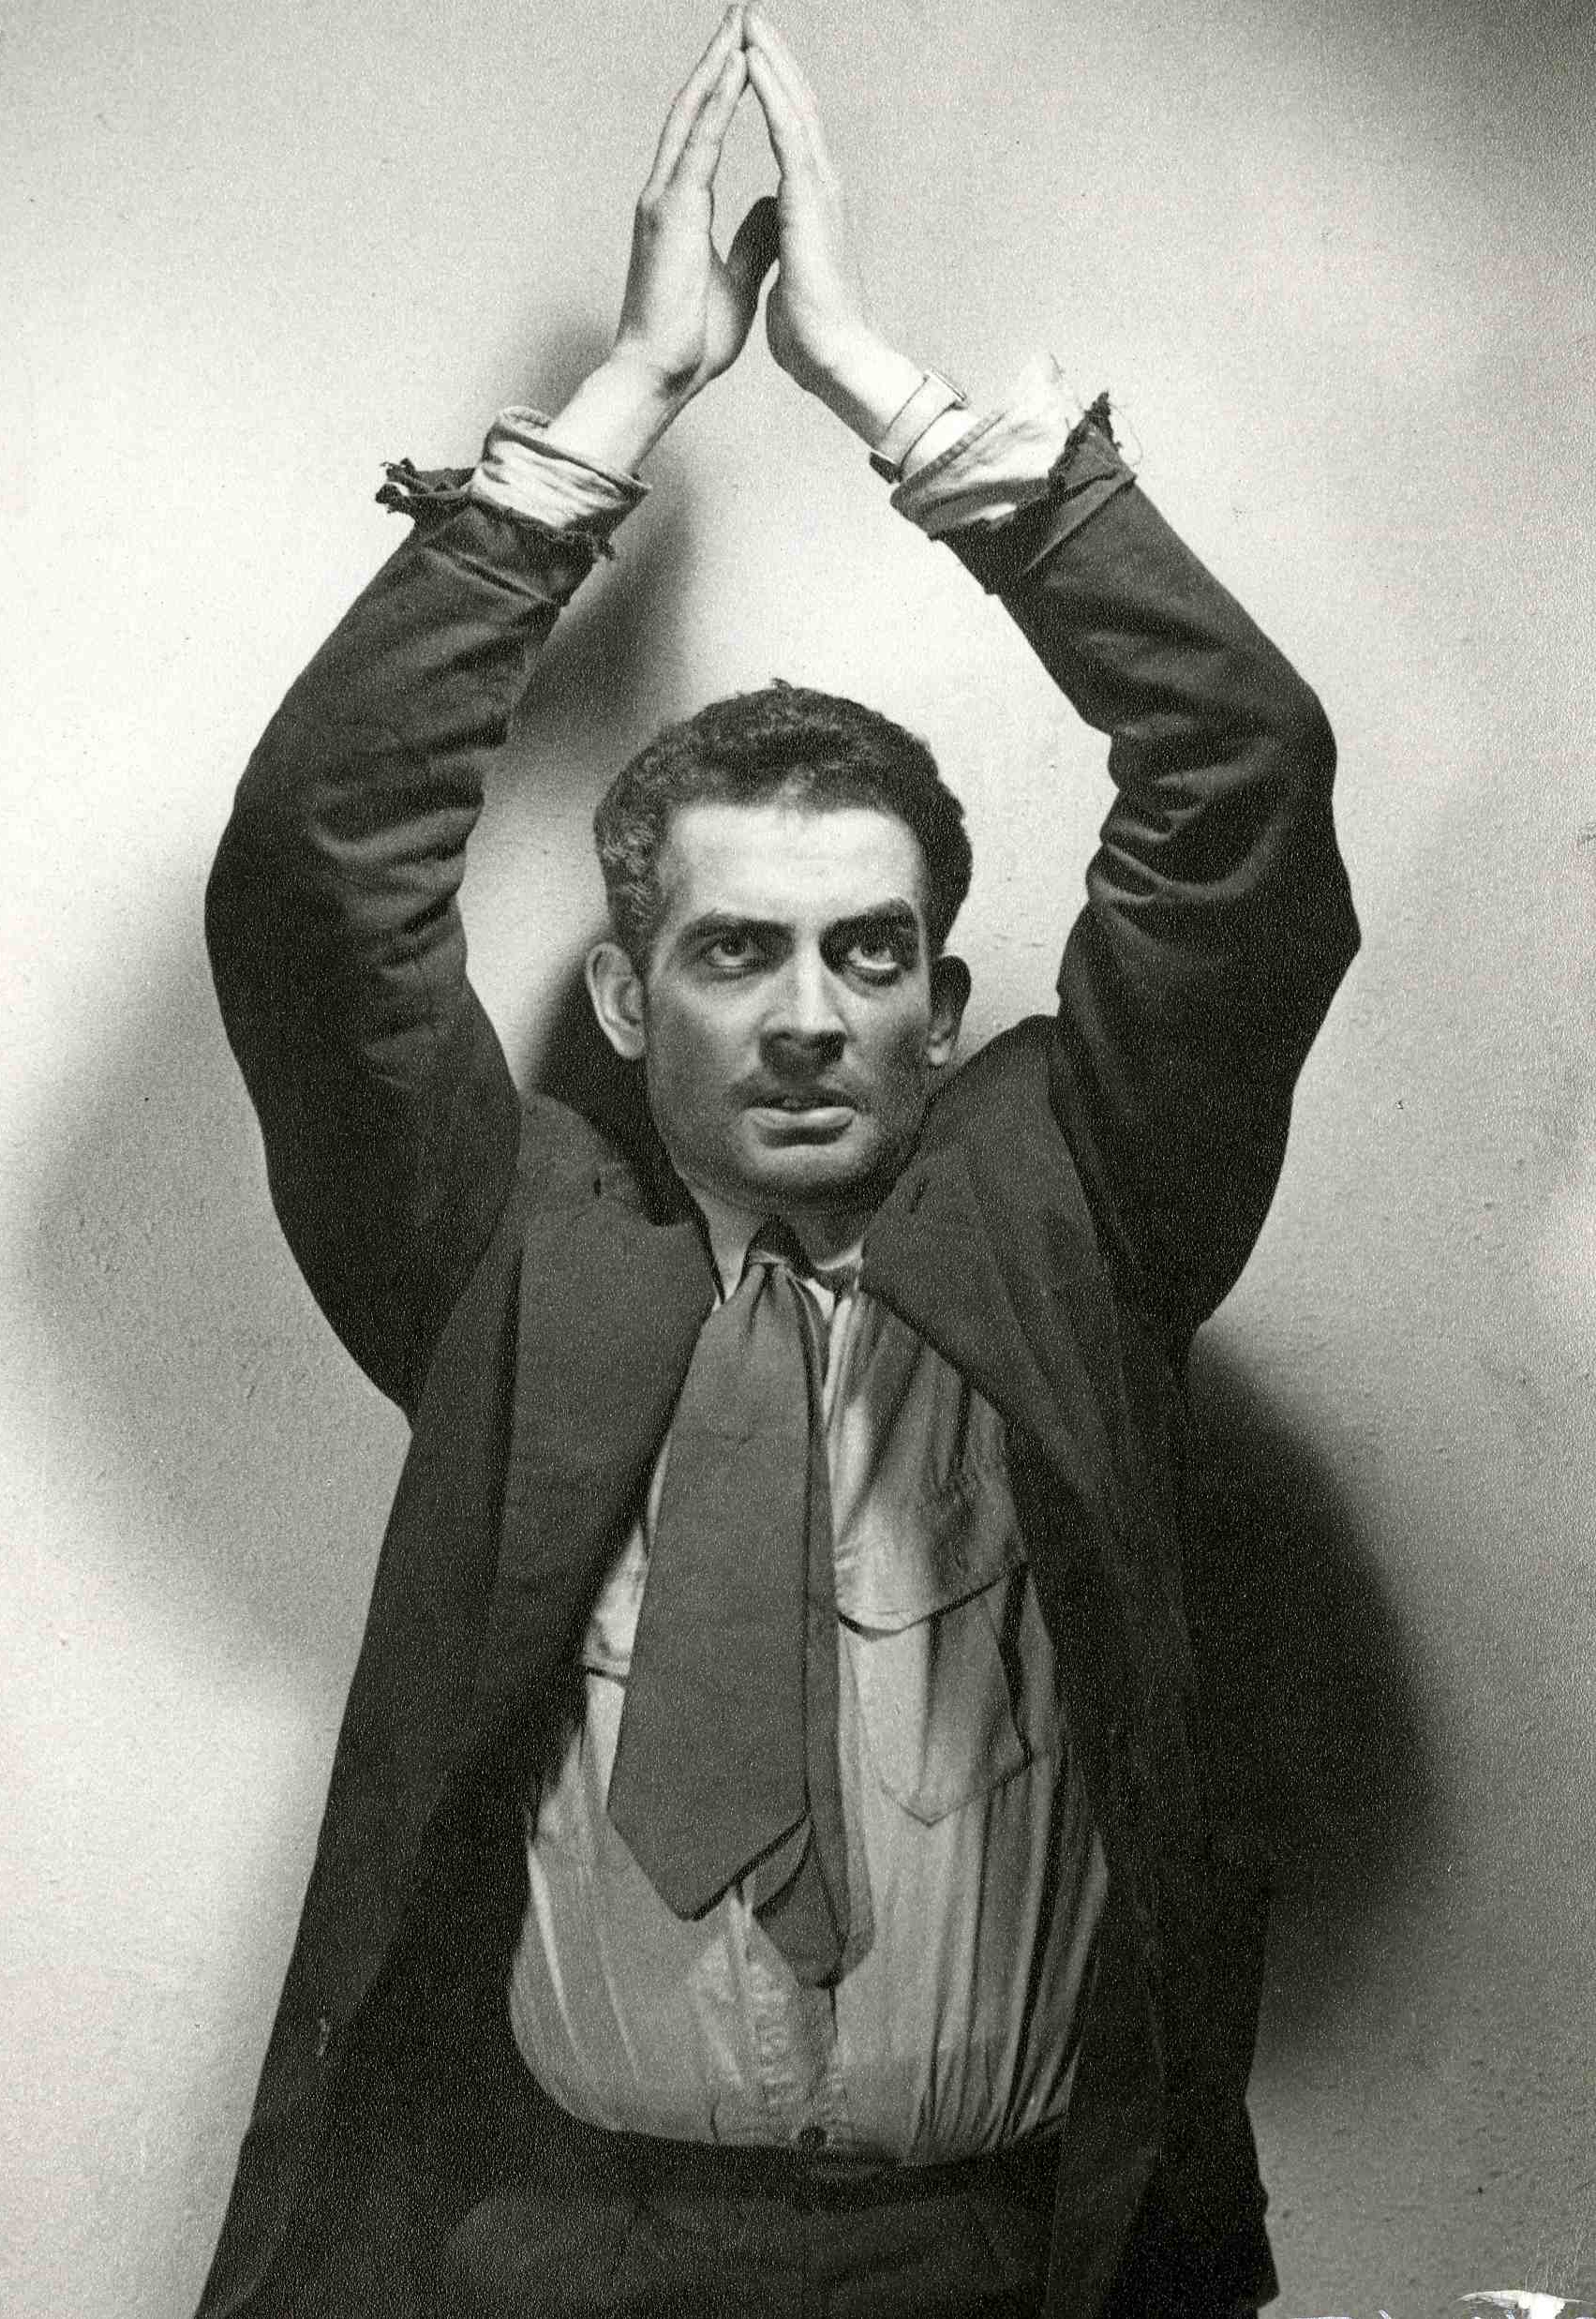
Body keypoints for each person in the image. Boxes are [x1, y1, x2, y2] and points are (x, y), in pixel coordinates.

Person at [194, 9, 1358, 2315]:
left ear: (944, 994)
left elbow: (1239, 783)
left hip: (998, 2260)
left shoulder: (1077, 1210)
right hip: (551, 2256)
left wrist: (891, 402)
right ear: (630, 1001)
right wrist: (619, 405)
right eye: (735, 950)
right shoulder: (509, 1252)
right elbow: (321, 874)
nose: (811, 1011)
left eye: (867, 950)